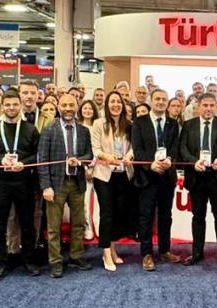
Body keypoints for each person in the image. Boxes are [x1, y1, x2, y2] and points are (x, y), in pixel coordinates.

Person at [0, 90, 40, 281]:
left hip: (24, 183)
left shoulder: (31, 129)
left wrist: (24, 163)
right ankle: (0, 263)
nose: (11, 108)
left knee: (27, 224)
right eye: (8, 105)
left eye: (15, 104)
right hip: (0, 183)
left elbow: (38, 155)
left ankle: (28, 260)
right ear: (2, 106)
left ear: (20, 105)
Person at [37, 92, 94, 279]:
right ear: (58, 107)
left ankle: (76, 256)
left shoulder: (84, 130)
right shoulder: (49, 130)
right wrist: (46, 186)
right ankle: (55, 261)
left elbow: (89, 155)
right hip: (56, 185)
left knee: (78, 223)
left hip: (77, 183)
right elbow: (42, 160)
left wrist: (80, 160)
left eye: (71, 105)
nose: (68, 108)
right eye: (64, 105)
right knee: (54, 227)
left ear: (77, 106)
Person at [179, 93, 217, 266]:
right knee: (198, 217)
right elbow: (183, 148)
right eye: (205, 105)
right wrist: (193, 162)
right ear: (198, 107)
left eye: (211, 105)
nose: (208, 109)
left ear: (215, 107)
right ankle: (196, 253)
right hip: (197, 178)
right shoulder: (188, 125)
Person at [132, 88, 181, 270]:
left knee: (166, 216)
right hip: (147, 176)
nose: (160, 102)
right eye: (157, 99)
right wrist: (150, 164)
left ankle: (164, 250)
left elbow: (175, 146)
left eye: (163, 99)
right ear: (151, 101)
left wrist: (170, 159)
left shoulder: (172, 123)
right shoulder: (140, 122)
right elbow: (137, 149)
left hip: (167, 177)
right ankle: (146, 254)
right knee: (146, 216)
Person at [91, 90, 134, 272]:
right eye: (112, 102)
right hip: (104, 175)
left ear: (122, 105)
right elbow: (95, 149)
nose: (115, 105)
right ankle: (106, 252)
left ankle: (113, 248)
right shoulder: (99, 123)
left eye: (118, 102)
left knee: (119, 212)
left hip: (123, 174)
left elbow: (133, 147)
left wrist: (129, 156)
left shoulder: (128, 125)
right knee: (107, 213)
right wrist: (107, 157)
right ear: (107, 105)